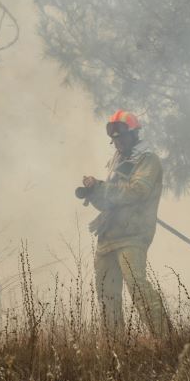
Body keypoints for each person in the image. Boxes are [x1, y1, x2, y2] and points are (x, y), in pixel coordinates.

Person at [79, 110, 171, 336]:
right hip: (108, 236)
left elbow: (137, 191)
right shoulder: (116, 162)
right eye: (114, 138)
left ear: (134, 134)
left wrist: (102, 187)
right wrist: (94, 192)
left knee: (137, 286)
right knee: (106, 294)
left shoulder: (147, 159)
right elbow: (109, 202)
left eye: (121, 136)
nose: (117, 141)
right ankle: (116, 351)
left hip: (132, 234)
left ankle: (168, 342)